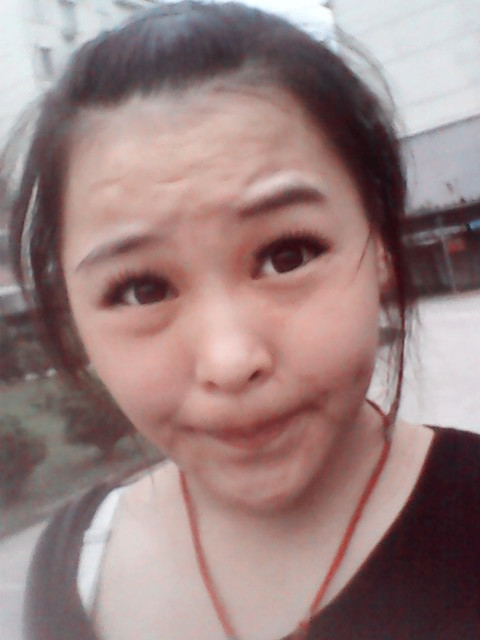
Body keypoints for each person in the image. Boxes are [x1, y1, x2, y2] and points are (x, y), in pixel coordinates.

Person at [5, 2, 480, 639]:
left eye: (288, 255)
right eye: (142, 289)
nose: (230, 362)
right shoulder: (72, 562)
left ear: (380, 249)